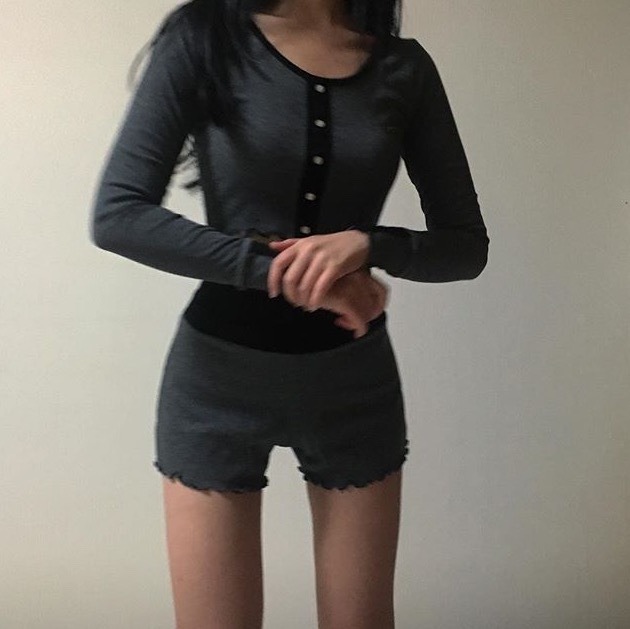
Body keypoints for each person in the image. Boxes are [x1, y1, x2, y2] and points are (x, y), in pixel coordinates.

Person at [88, 0, 489, 627]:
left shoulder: (403, 68)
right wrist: (287, 274)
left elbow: (465, 248)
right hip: (217, 381)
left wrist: (368, 245)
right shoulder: (204, 39)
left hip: (353, 385)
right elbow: (119, 216)